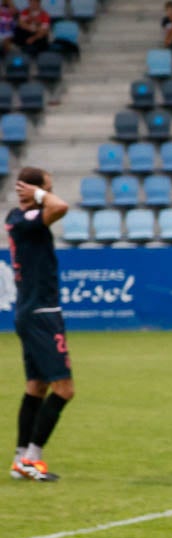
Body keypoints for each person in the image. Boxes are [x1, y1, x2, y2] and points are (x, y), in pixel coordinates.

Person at [9, 167, 71, 483]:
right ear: (36, 191)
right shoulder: (25, 221)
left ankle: (22, 460)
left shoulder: (20, 219)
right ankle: (32, 458)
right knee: (65, 389)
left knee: (37, 386)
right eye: (48, 186)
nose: (52, 191)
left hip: (32, 311)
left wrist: (38, 195)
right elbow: (60, 207)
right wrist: (41, 195)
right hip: (41, 314)